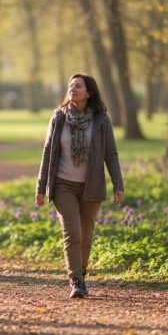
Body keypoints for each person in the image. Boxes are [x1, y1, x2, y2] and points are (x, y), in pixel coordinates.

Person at [35, 73, 124, 299]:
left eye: (78, 86)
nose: (73, 89)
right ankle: (75, 281)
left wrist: (117, 183)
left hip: (91, 186)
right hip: (63, 185)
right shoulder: (59, 117)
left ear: (89, 92)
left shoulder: (101, 120)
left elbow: (110, 154)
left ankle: (81, 273)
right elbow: (47, 152)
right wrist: (41, 186)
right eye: (70, 86)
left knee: (85, 236)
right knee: (72, 233)